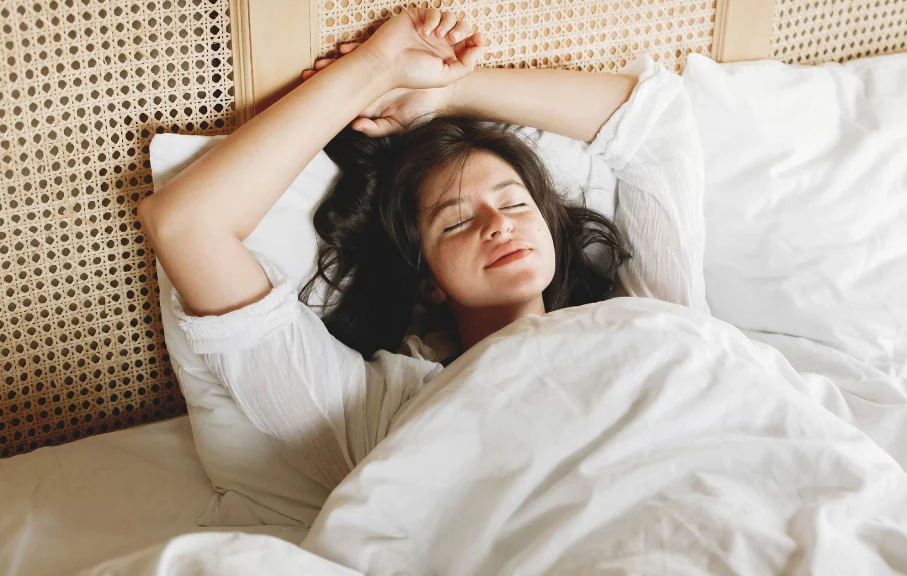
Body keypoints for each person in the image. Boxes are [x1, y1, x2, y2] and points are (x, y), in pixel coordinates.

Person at [139, 7, 706, 491]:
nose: (498, 225)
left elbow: (660, 124)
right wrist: (372, 69)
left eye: (514, 205)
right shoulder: (380, 414)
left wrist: (448, 93)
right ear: (428, 279)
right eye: (456, 223)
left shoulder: (648, 319)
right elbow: (187, 224)